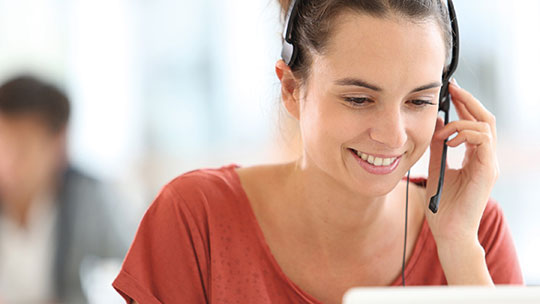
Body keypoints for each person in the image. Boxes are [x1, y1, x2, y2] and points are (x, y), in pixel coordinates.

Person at [113, 0, 523, 303]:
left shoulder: (475, 231)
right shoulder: (196, 218)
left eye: (418, 101)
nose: (393, 136)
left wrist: (456, 246)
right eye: (360, 99)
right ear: (292, 90)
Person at [0, 75, 129, 303]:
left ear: (58, 144)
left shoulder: (89, 200)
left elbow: (137, 265)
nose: (7, 162)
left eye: (22, 148)